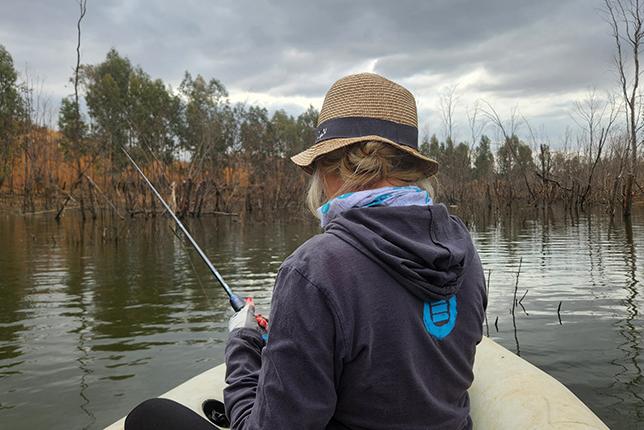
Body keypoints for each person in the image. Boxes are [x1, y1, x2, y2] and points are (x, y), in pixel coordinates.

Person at [125, 73, 487, 430]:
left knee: (149, 417)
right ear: (410, 168)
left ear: (330, 166)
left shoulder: (313, 270)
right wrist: (294, 330)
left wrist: (242, 342)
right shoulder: (462, 247)